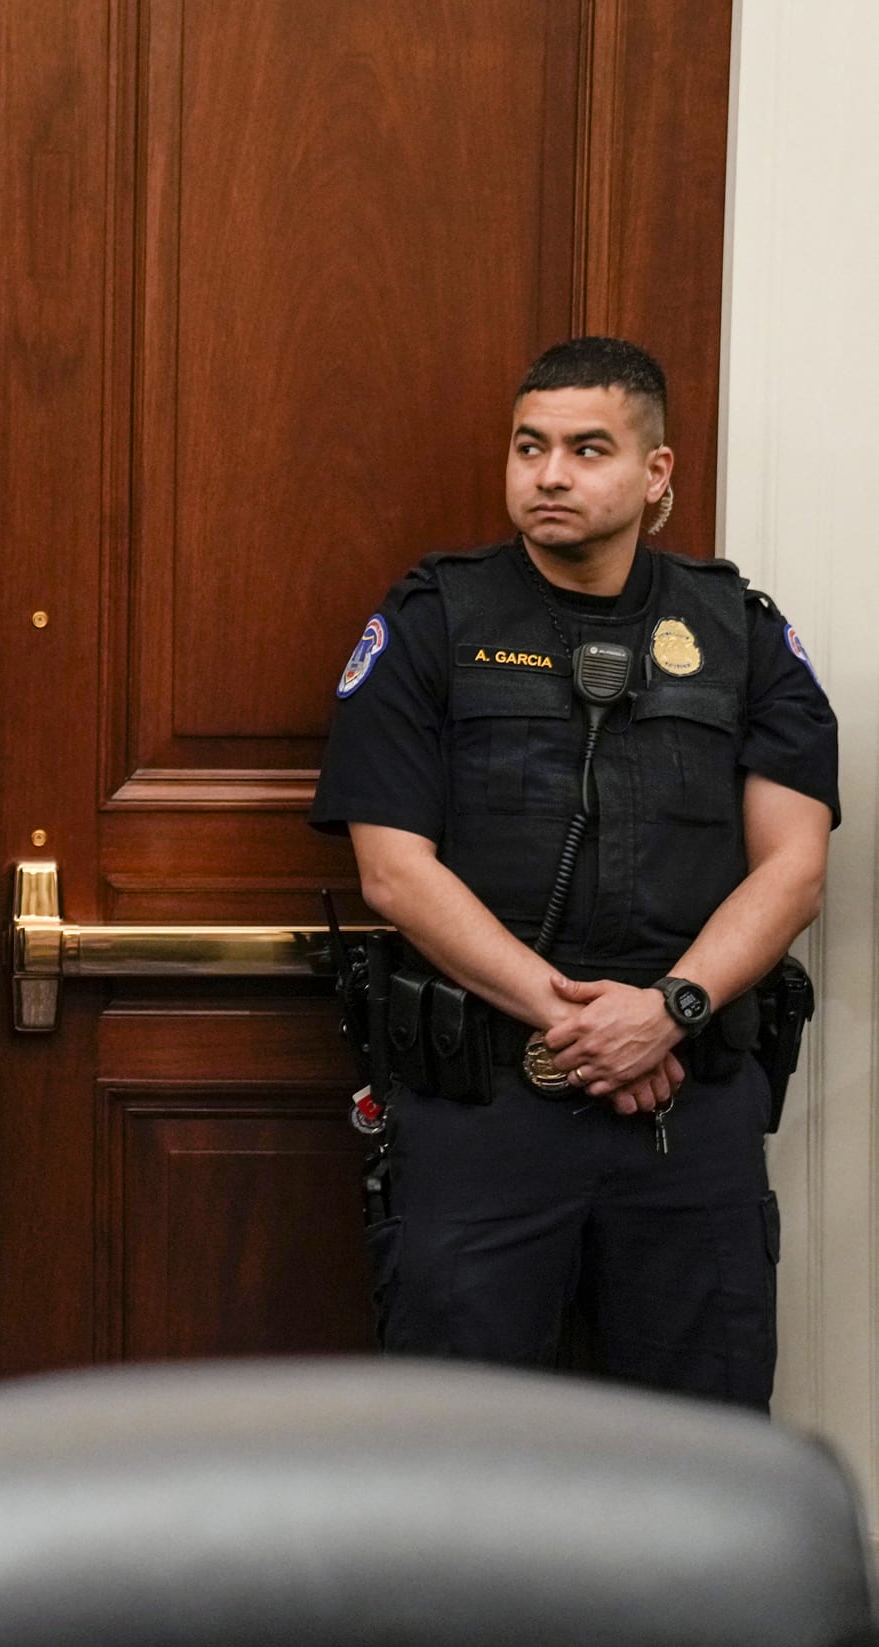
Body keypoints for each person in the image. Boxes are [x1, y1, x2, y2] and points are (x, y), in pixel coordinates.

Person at [313, 336, 837, 1410]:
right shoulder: (430, 622)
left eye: (586, 448)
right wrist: (588, 1026)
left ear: (656, 474)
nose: (547, 475)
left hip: (688, 1103)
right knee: (453, 1436)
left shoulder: (738, 632)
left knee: (704, 1436)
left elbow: (793, 868)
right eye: (528, 446)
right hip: (485, 1100)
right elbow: (394, 873)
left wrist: (669, 1009)